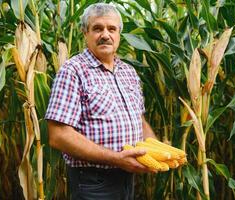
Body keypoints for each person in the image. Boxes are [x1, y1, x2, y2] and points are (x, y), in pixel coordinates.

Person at [45, 3, 157, 200]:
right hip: (93, 181)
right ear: (85, 33)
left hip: (127, 177)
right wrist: (116, 159)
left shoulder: (128, 72)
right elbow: (59, 135)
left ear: (119, 35)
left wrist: (156, 148)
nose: (105, 34)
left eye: (111, 29)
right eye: (97, 28)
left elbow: (139, 120)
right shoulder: (73, 71)